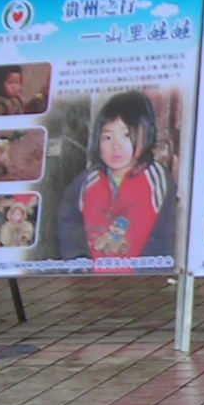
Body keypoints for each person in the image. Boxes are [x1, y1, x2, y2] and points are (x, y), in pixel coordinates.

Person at [58, 90, 175, 271]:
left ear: (147, 134)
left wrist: (148, 275)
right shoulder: (86, 182)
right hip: (91, 280)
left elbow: (165, 234)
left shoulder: (158, 179)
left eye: (126, 135)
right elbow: (69, 222)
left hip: (142, 281)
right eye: (107, 137)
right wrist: (79, 260)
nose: (115, 146)